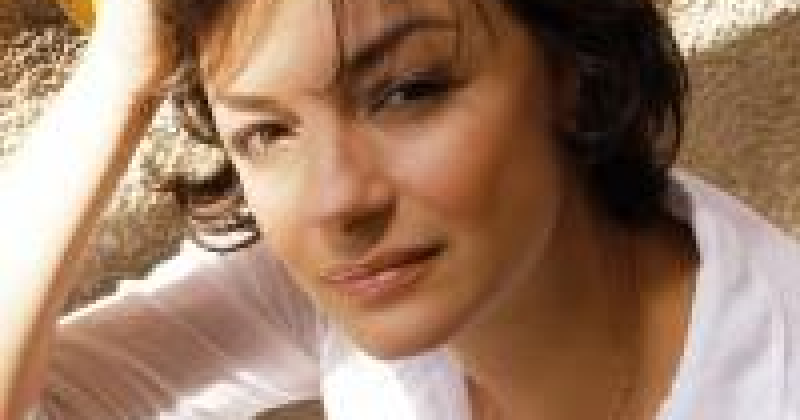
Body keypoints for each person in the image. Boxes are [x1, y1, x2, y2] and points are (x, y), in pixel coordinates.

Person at [2, 0, 798, 418]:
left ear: (571, 68)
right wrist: (122, 70)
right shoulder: (331, 288)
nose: (338, 201)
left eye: (409, 92)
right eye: (267, 132)